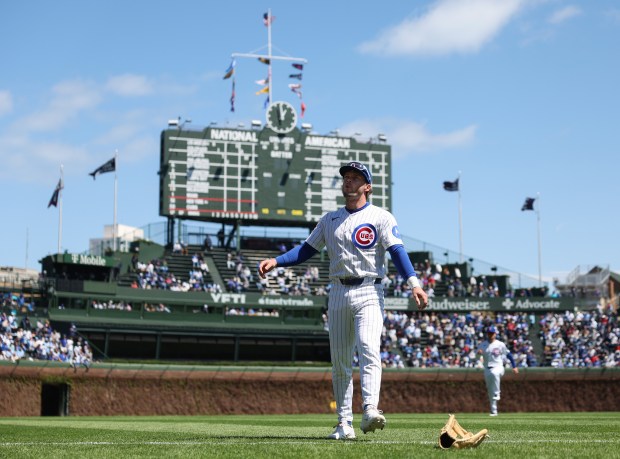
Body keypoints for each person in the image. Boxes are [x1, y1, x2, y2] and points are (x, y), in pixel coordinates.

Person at [258, 161, 428, 440]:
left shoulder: (381, 217)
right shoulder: (330, 219)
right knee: (340, 361)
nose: (348, 181)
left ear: (367, 186)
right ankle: (344, 423)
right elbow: (305, 250)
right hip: (337, 292)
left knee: (369, 348)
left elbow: (397, 251)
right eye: (346, 177)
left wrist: (415, 283)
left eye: (355, 178)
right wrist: (276, 261)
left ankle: (370, 409)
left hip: (370, 290)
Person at [478, 325, 519, 416]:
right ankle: (494, 411)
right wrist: (479, 354)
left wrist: (514, 366)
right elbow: (478, 356)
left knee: (494, 373)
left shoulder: (500, 344)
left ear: (495, 334)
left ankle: (497, 393)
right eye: (489, 333)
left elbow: (509, 355)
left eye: (492, 333)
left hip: (499, 367)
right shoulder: (483, 344)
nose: (491, 335)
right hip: (487, 368)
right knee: (490, 390)